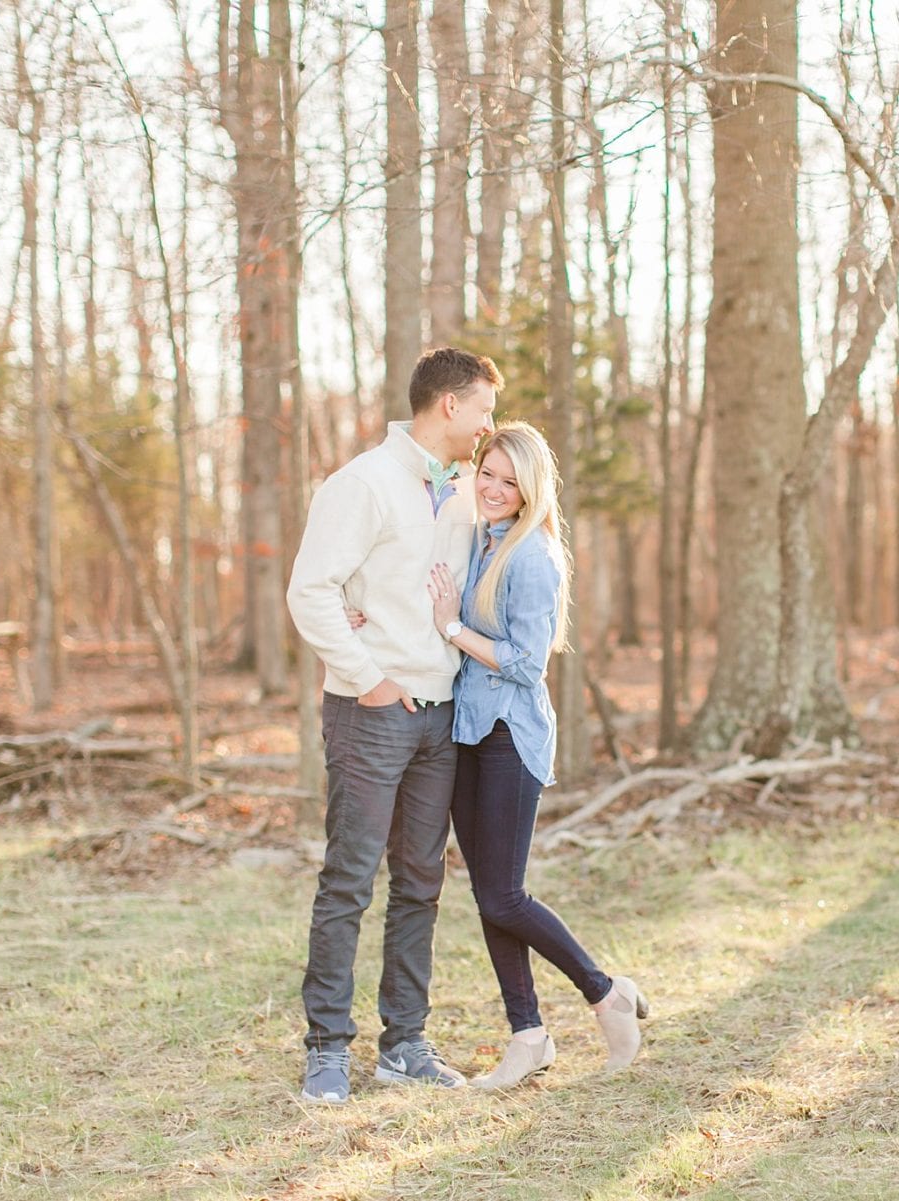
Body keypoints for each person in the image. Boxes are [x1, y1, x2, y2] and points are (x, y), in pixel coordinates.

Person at [285, 347, 502, 1104]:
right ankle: (327, 1048)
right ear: (450, 405)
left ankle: (404, 1041)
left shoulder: (467, 495)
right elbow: (310, 590)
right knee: (348, 878)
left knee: (420, 881)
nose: (488, 426)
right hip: (372, 711)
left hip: (440, 715)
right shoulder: (363, 484)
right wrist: (368, 678)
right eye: (484, 410)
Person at [430, 421, 648, 1090]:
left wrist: (453, 628)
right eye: (486, 474)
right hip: (468, 730)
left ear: (531, 489)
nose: (494, 489)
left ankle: (605, 991)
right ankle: (528, 1035)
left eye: (508, 480)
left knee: (504, 892)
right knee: (489, 894)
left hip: (510, 735)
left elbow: (527, 663)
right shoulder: (480, 539)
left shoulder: (533, 556)